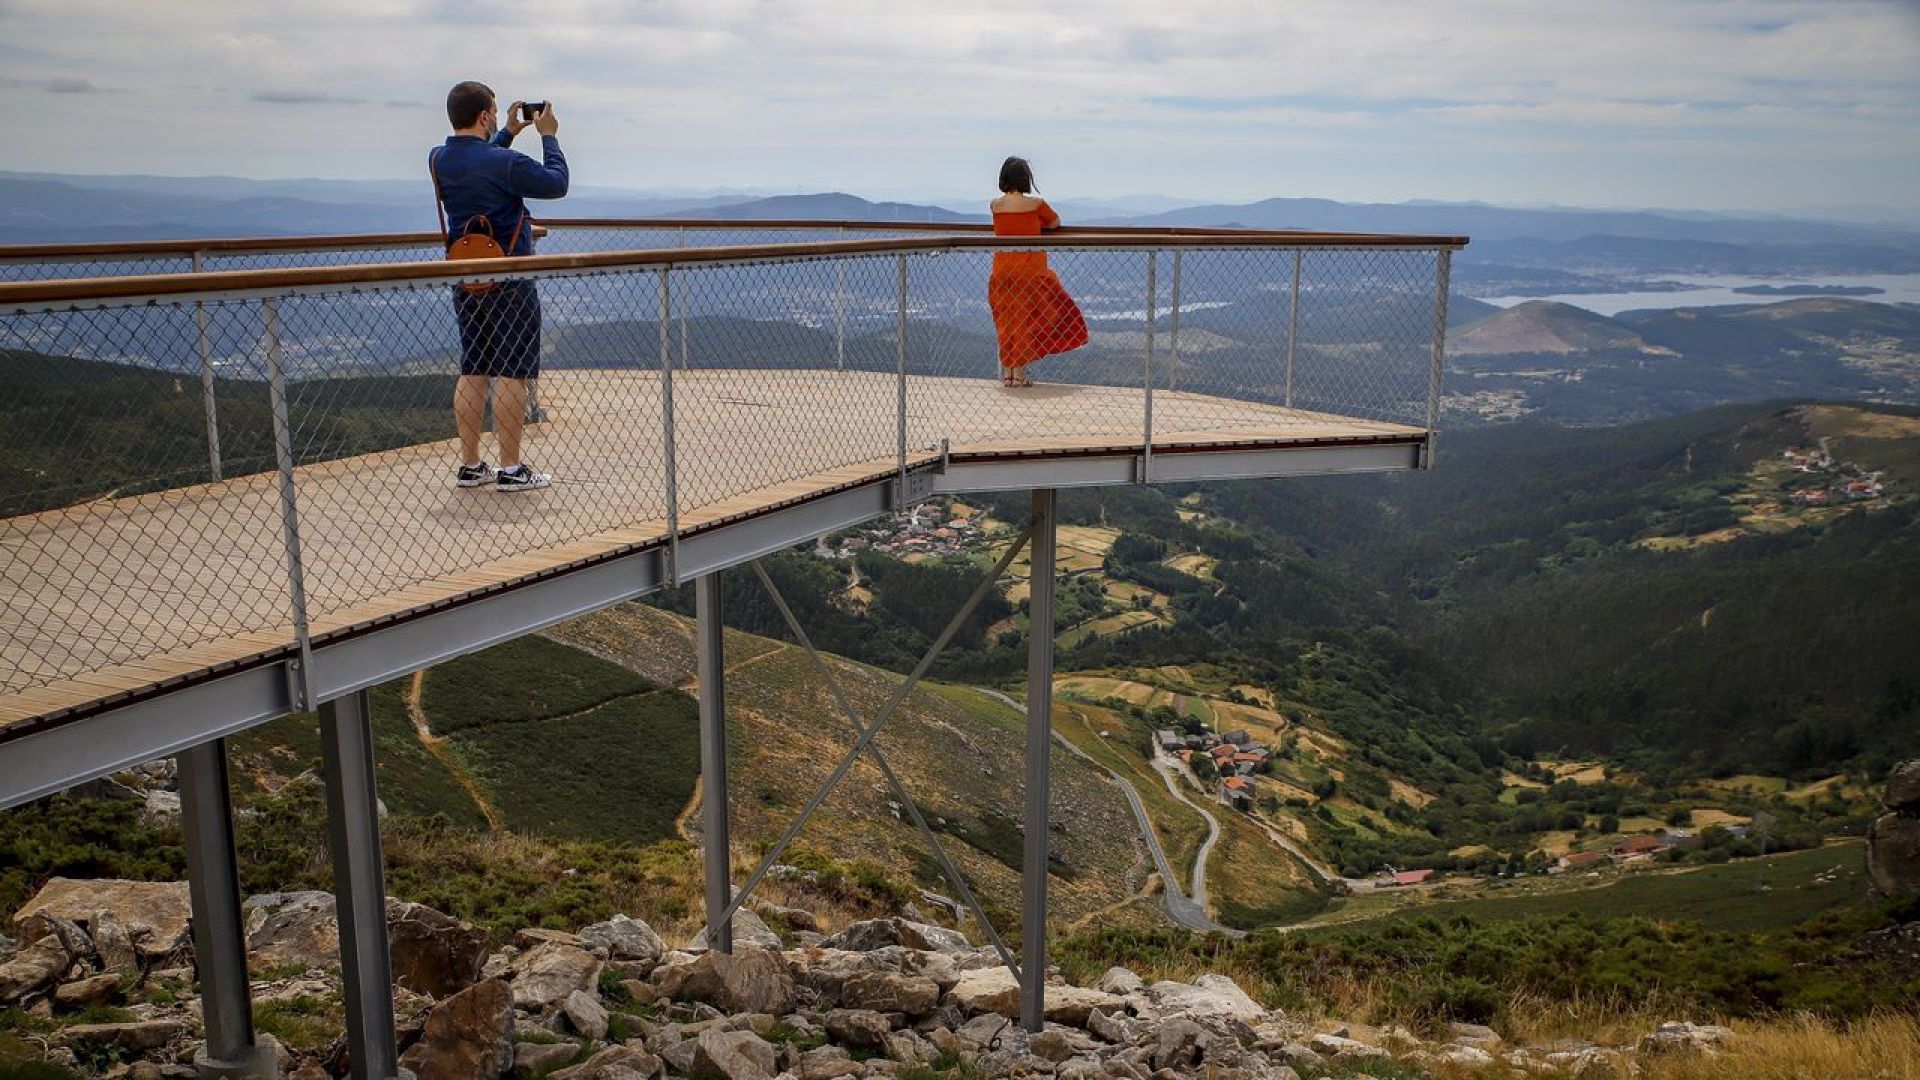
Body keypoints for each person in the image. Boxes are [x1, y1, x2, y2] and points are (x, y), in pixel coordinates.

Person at [432, 80, 569, 491]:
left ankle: (471, 464)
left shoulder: (438, 159)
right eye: (492, 112)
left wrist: (507, 133)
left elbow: (480, 164)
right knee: (513, 371)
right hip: (509, 275)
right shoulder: (502, 163)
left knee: (474, 365)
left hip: (466, 275)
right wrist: (548, 137)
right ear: (484, 115)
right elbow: (556, 184)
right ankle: (511, 468)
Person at [987, 156, 1087, 387]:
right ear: (1026, 178)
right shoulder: (1035, 204)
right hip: (1030, 270)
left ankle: (1009, 373)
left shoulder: (995, 205)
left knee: (1006, 321)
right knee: (1027, 320)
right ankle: (1019, 374)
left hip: (1002, 270)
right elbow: (1054, 222)